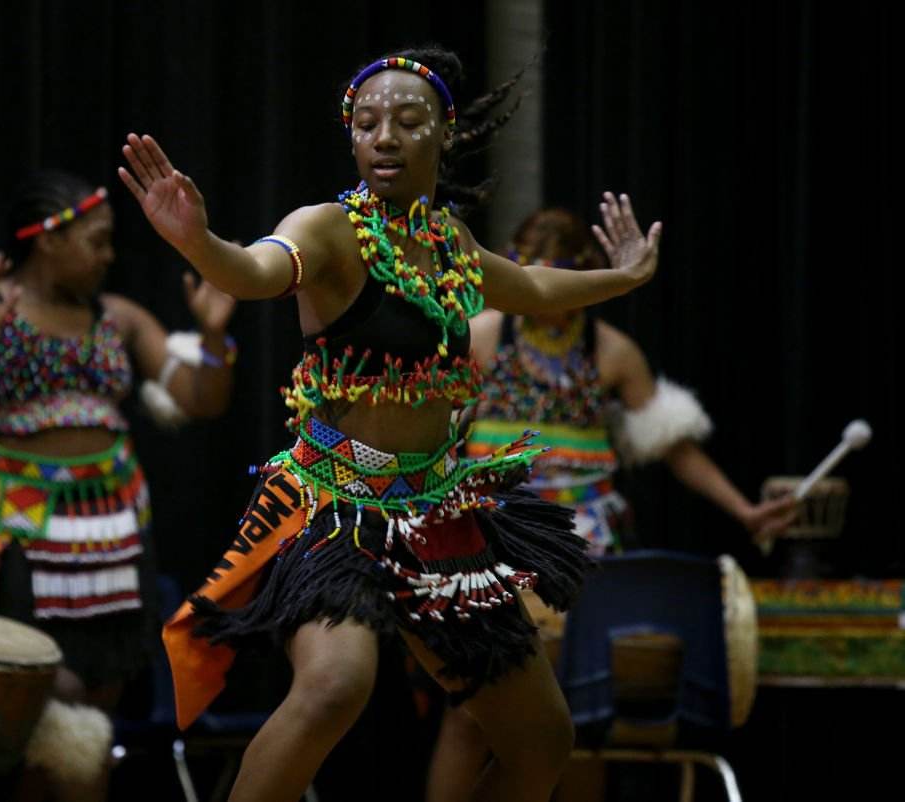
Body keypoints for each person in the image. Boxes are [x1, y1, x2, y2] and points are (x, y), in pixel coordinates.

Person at [119, 47, 662, 801]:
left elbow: (532, 285)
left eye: (408, 121)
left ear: (444, 134)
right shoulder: (326, 231)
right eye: (367, 122)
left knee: (541, 739)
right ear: (350, 138)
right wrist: (196, 242)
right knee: (336, 685)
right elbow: (251, 272)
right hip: (333, 506)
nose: (384, 136)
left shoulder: (450, 245)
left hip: (437, 512)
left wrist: (626, 275)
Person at [425, 207, 798, 801]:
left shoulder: (614, 351)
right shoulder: (485, 335)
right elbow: (431, 430)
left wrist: (744, 510)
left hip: (585, 549)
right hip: (492, 542)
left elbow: (673, 446)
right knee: (469, 711)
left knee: (577, 708)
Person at [0, 169, 236, 794]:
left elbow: (201, 400)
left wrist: (212, 336)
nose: (109, 255)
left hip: (110, 532)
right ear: (48, 239)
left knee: (90, 714)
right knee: (13, 698)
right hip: (11, 536)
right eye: (96, 241)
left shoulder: (120, 317)